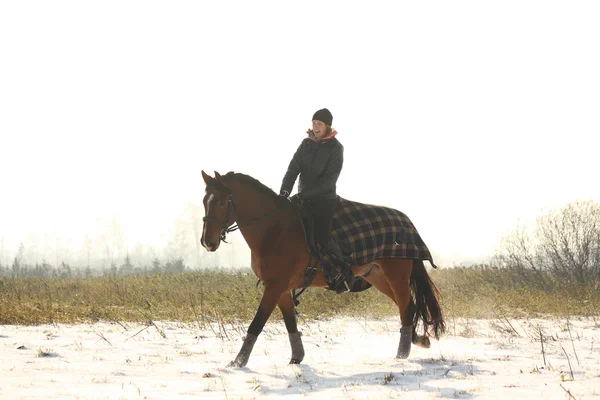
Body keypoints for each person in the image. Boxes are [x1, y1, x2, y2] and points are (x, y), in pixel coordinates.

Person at [279, 108, 353, 293]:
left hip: (324, 200)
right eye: (313, 123)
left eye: (319, 124)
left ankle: (342, 270)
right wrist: (284, 191)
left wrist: (304, 194)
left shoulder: (336, 148)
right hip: (302, 197)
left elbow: (329, 180)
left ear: (328, 126)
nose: (316, 127)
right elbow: (292, 169)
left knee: (321, 235)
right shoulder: (306, 144)